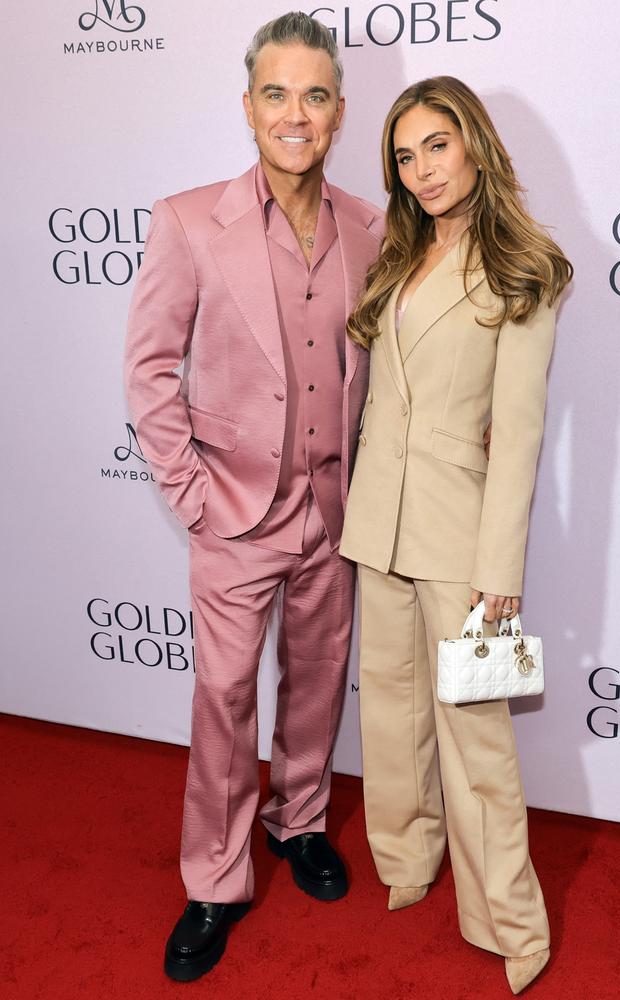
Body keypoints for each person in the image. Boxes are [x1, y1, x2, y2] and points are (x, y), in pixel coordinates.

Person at [124, 12, 382, 982]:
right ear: (247, 107)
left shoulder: (368, 225)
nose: (294, 112)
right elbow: (149, 371)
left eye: (313, 95)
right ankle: (215, 875)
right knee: (225, 698)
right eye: (275, 93)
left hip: (333, 511)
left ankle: (300, 820)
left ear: (337, 112)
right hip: (234, 514)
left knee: (317, 680)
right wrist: (192, 493)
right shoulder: (189, 219)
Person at [339, 77, 572, 995]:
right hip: (378, 521)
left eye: (436, 145)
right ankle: (406, 860)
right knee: (390, 711)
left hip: (459, 531)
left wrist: (499, 573)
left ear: (474, 142)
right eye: (404, 155)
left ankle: (511, 921)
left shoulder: (525, 265)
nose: (422, 169)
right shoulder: (397, 257)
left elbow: (518, 434)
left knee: (475, 736)